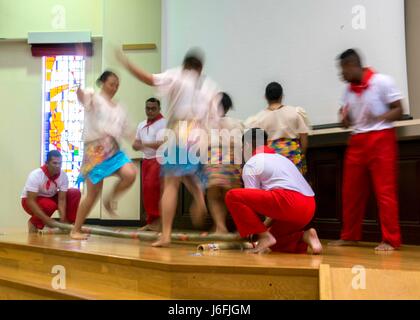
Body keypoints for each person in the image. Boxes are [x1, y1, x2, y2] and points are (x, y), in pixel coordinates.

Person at [117, 48, 220, 247]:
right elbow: (214, 119)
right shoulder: (209, 85)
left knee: (170, 184)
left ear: (185, 65)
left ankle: (165, 234)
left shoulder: (177, 75)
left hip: (179, 129)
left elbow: (149, 79)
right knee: (187, 172)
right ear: (200, 68)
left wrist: (127, 64)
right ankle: (198, 194)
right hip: (199, 134)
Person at [329, 49, 403, 251]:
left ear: (352, 65)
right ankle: (350, 236)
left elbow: (399, 109)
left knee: (385, 192)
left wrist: (382, 117)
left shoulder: (382, 81)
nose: (341, 75)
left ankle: (390, 240)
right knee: (350, 192)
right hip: (357, 140)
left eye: (342, 70)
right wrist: (344, 119)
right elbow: (346, 121)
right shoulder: (348, 90)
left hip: (381, 138)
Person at [225, 128, 322, 254]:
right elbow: (271, 204)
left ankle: (265, 237)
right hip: (308, 207)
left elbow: (252, 206)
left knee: (232, 196)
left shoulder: (252, 163)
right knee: (274, 242)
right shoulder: (282, 159)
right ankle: (306, 236)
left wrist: (251, 230)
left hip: (288, 202)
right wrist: (264, 229)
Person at [70, 71, 137, 240]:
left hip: (114, 150)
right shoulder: (95, 98)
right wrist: (78, 86)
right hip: (96, 151)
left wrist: (135, 140)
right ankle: (76, 229)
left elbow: (126, 129)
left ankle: (110, 200)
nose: (114, 87)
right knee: (93, 194)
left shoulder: (120, 107)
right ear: (102, 83)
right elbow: (82, 98)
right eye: (111, 83)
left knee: (130, 173)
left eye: (117, 84)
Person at [245, 82, 310, 175]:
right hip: (292, 153)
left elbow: (256, 146)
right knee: (294, 184)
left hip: (270, 156)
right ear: (282, 95)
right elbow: (304, 137)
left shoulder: (258, 118)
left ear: (265, 97)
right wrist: (301, 154)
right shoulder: (294, 112)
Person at [206, 92, 244, 234]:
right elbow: (241, 144)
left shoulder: (206, 124)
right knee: (232, 196)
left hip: (213, 160)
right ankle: (241, 226)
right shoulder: (237, 123)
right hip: (232, 161)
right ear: (227, 107)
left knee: (214, 196)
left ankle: (220, 227)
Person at [21, 150, 81, 232]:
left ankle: (67, 224)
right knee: (49, 205)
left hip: (50, 197)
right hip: (29, 201)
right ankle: (33, 223)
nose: (58, 166)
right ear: (47, 163)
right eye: (55, 163)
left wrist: (62, 220)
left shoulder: (63, 176)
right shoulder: (36, 175)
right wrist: (47, 220)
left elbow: (62, 199)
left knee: (74, 193)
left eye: (60, 163)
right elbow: (30, 201)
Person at [133, 97, 167, 231]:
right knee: (147, 192)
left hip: (159, 159)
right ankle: (151, 222)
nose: (150, 111)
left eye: (153, 108)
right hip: (146, 160)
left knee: (154, 190)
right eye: (148, 108)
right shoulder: (141, 124)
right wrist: (136, 145)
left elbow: (161, 144)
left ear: (159, 109)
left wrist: (142, 144)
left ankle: (159, 222)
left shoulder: (164, 123)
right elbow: (136, 143)